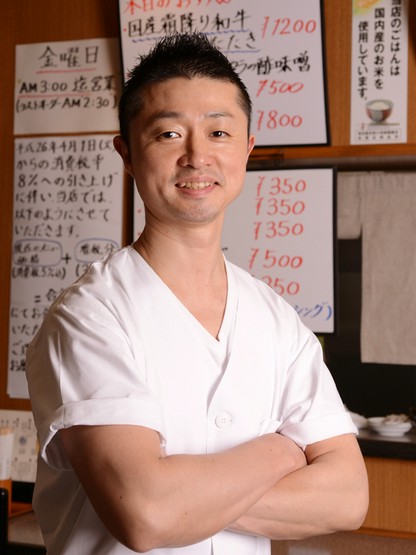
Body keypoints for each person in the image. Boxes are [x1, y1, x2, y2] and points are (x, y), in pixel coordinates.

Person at [26, 32, 368, 555]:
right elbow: (147, 514)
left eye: (219, 132)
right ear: (127, 153)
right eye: (168, 134)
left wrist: (182, 495)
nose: (197, 156)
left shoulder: (277, 320)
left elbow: (347, 499)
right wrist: (281, 452)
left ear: (247, 150)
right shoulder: (90, 315)